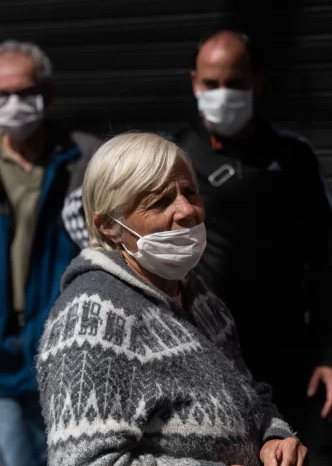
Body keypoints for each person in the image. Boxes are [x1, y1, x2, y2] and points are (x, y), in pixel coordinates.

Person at [36, 133, 307, 466]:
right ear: (109, 225)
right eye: (160, 201)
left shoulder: (199, 298)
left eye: (190, 193)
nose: (187, 210)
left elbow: (247, 397)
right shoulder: (91, 317)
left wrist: (274, 437)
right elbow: (85, 461)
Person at [173, 30, 332, 464]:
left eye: (235, 83)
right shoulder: (175, 155)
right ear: (194, 83)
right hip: (204, 354)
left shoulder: (294, 157)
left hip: (289, 357)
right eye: (211, 84)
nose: (222, 94)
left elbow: (328, 257)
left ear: (258, 81)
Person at [0, 40, 101, 466]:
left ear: (49, 93)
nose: (14, 105)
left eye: (25, 92)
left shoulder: (85, 160)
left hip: (69, 355)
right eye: (2, 95)